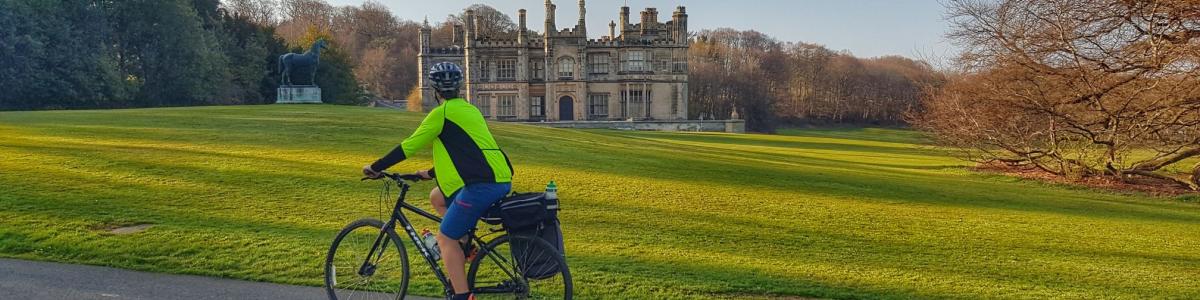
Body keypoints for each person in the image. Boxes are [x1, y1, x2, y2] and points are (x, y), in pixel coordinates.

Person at [363, 62, 513, 300]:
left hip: (482, 185)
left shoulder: (441, 114)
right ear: (459, 88)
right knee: (436, 196)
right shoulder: (470, 109)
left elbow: (408, 146)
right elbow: (470, 150)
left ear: (435, 91)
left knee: (445, 238)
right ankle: (466, 247)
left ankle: (462, 295)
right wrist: (431, 173)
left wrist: (375, 167)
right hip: (500, 178)